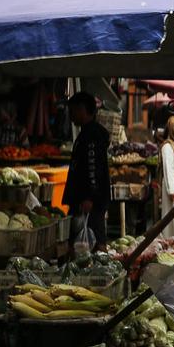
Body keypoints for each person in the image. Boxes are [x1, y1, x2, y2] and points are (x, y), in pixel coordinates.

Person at [63, 91, 111, 248]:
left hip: (90, 200)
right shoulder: (87, 133)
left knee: (94, 241)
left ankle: (101, 270)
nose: (71, 115)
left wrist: (90, 196)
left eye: (73, 111)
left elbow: (93, 166)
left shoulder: (91, 136)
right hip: (88, 198)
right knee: (86, 241)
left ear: (82, 110)